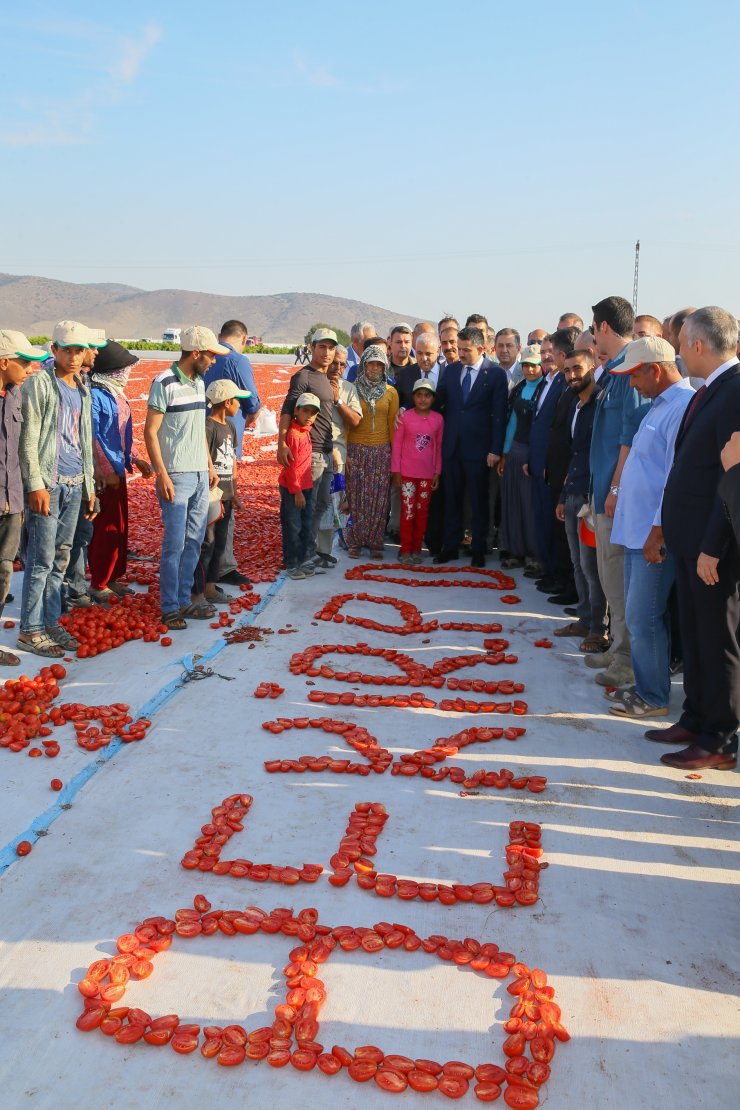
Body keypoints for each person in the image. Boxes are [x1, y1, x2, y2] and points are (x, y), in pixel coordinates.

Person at [658, 307, 740, 770]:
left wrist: (714, 545)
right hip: (689, 542)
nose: (679, 349)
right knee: (694, 635)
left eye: (682, 340)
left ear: (699, 345)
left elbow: (731, 479)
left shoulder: (734, 391)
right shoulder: (709, 390)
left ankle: (720, 740)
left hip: (714, 549)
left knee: (717, 641)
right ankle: (695, 716)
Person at [605, 337, 694, 719]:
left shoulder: (681, 407)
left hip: (652, 536)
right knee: (638, 614)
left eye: (634, 376)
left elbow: (675, 477)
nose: (631, 385)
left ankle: (654, 696)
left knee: (646, 615)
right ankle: (645, 684)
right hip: (636, 531)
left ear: (654, 370)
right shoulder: (659, 406)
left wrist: (657, 532)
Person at [18, 321, 97, 657]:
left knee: (61, 558)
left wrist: (90, 485)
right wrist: (36, 484)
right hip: (49, 485)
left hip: (74, 482)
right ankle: (30, 631)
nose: (74, 356)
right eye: (68, 350)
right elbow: (29, 438)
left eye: (79, 350)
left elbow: (84, 442)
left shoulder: (81, 387)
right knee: (40, 560)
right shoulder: (40, 384)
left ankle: (51, 622)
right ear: (54, 351)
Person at [587, 296, 650, 689]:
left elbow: (631, 436)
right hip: (601, 491)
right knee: (608, 575)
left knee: (620, 579)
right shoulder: (612, 371)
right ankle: (617, 647)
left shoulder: (632, 371)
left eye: (595, 329)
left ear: (605, 327)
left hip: (616, 495)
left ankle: (627, 658)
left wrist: (614, 487)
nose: (594, 336)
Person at [144, 325, 220, 630]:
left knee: (194, 541)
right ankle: (170, 606)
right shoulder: (164, 382)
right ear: (196, 353)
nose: (214, 361)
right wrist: (162, 473)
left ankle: (185, 597)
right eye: (211, 355)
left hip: (200, 474)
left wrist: (210, 466)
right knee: (174, 544)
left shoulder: (200, 384)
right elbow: (150, 431)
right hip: (176, 474)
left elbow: (198, 427)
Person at [434, 326, 508, 567]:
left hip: (480, 451)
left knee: (478, 501)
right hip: (452, 448)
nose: (460, 353)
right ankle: (451, 547)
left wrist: (495, 449)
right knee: (452, 499)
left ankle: (478, 549)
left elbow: (499, 415)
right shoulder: (452, 370)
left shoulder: (495, 374)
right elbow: (439, 403)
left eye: (466, 350)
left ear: (480, 349)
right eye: (459, 348)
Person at [88, 341, 152, 603]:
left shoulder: (114, 393)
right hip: (106, 475)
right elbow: (93, 437)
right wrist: (104, 470)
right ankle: (99, 581)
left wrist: (134, 458)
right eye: (123, 369)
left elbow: (118, 436)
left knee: (120, 526)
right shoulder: (96, 395)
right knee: (106, 528)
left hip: (118, 469)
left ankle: (113, 577)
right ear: (112, 370)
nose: (127, 374)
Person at [555, 350, 608, 652]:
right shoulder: (576, 405)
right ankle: (585, 618)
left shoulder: (601, 405)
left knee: (591, 565)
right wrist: (564, 496)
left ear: (593, 368)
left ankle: (599, 629)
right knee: (577, 562)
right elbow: (574, 454)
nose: (572, 375)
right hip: (574, 492)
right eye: (567, 371)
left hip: (592, 495)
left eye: (577, 369)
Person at [203, 320, 261, 588]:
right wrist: (250, 415)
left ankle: (204, 570)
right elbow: (253, 402)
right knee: (221, 508)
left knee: (204, 509)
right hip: (225, 440)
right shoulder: (237, 361)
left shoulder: (208, 357)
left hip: (203, 439)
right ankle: (218, 570)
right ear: (244, 337)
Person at [0, 331, 46, 664]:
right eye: (24, 362)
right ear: (4, 362)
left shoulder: (15, 395)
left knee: (3, 571)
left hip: (10, 499)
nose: (30, 368)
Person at [278, 329, 339, 572]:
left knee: (321, 504)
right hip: (308, 452)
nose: (326, 352)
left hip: (324, 450)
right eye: (322, 347)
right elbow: (287, 409)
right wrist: (282, 442)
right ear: (312, 347)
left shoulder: (325, 377)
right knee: (305, 507)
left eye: (331, 348)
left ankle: (309, 552)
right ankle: (302, 556)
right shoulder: (303, 376)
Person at [191, 380, 250, 607]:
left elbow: (233, 459)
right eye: (237, 401)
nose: (239, 406)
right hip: (211, 496)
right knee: (208, 542)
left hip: (225, 495)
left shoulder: (231, 427)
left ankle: (210, 587)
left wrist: (233, 491)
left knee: (220, 542)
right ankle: (200, 588)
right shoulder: (208, 426)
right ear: (227, 402)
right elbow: (205, 461)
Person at [64, 326, 107, 609]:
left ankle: (76, 590)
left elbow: (86, 432)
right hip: (60, 474)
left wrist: (92, 474)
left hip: (81, 472)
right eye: (92, 348)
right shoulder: (54, 383)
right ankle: (57, 598)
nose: (96, 353)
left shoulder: (84, 383)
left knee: (80, 533)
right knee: (58, 543)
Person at [525, 331, 570, 591]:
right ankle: (546, 566)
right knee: (541, 516)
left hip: (553, 465)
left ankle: (557, 572)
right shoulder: (546, 381)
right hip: (538, 460)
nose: (545, 357)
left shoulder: (564, 382)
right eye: (541, 353)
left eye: (548, 352)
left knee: (555, 521)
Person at [344, 345, 399, 559]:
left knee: (379, 498)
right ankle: (356, 541)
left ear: (385, 367)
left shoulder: (391, 392)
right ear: (363, 364)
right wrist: (346, 453)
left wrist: (395, 459)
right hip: (356, 451)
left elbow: (392, 426)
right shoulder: (351, 389)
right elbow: (347, 424)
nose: (375, 367)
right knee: (357, 497)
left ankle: (376, 541)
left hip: (381, 451)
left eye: (379, 364)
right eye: (370, 363)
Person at [314, 347, 362, 566]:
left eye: (343, 364)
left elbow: (355, 421)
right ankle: (309, 549)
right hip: (314, 453)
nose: (338, 368)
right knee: (314, 503)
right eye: (335, 363)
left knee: (332, 506)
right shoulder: (314, 383)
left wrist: (337, 401)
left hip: (338, 456)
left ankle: (323, 551)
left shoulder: (349, 389)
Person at [498, 345, 544, 570]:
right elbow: (512, 424)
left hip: (532, 453)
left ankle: (534, 554)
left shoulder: (546, 388)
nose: (529, 370)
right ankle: (515, 550)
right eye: (525, 365)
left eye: (533, 365)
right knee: (513, 503)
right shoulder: (518, 389)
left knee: (530, 505)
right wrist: (505, 455)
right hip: (515, 451)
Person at [391, 378, 443, 564]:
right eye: (419, 395)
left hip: (427, 476)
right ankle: (405, 550)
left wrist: (437, 471)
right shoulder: (405, 417)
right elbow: (397, 445)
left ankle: (416, 550)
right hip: (407, 475)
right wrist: (396, 471)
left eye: (427, 396)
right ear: (413, 397)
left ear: (433, 398)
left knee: (422, 512)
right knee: (408, 511)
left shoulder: (438, 419)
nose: (422, 399)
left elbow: (437, 448)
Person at [278, 393, 320, 580]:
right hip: (293, 488)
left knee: (305, 524)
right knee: (293, 525)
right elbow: (291, 466)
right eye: (305, 411)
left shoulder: (305, 432)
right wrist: (297, 492)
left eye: (313, 412)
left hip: (305, 485)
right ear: (296, 411)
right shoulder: (294, 435)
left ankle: (303, 559)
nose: (309, 415)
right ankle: (292, 563)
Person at [395, 332, 440, 408]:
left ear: (438, 351)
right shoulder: (404, 374)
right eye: (419, 353)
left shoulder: (447, 373)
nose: (424, 358)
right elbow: (399, 403)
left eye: (428, 354)